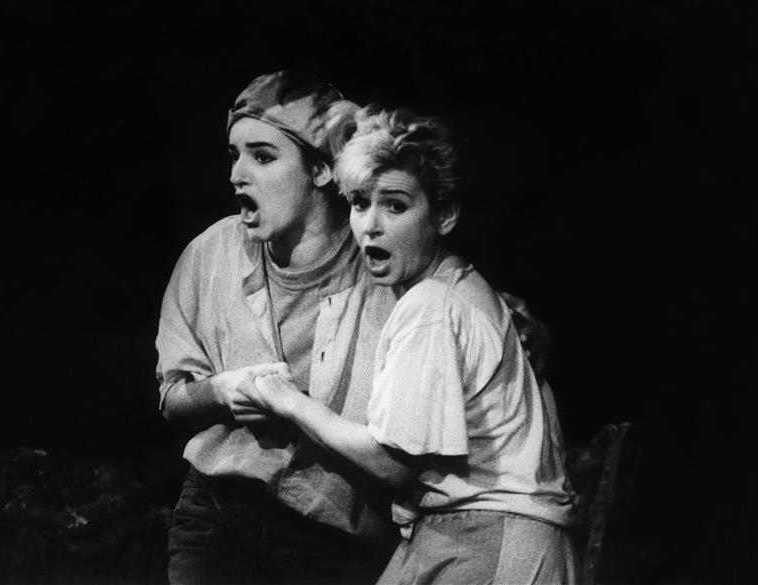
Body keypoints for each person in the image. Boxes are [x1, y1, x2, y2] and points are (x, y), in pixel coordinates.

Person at [240, 107, 579, 584]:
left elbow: (390, 461)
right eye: (360, 203)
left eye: (396, 206)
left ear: (444, 216)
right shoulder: (459, 287)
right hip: (480, 534)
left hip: (493, 537)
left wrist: (289, 402)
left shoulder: (431, 305)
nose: (370, 225)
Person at [155, 71, 400, 585]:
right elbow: (172, 397)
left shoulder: (382, 264)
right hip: (218, 510)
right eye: (234, 155)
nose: (237, 175)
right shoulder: (211, 254)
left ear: (321, 170)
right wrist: (220, 391)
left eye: (263, 157)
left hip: (332, 533)